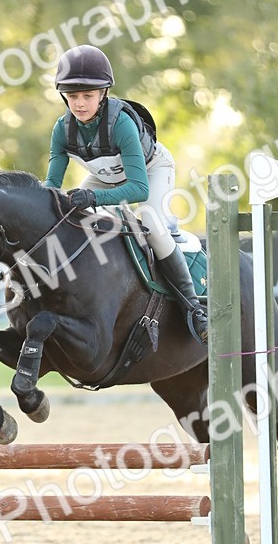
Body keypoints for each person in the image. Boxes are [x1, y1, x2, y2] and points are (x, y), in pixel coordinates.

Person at [43, 44, 209, 344]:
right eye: (72, 96)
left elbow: (138, 188)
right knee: (69, 216)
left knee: (152, 226)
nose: (79, 104)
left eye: (87, 96)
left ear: (104, 93)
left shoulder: (121, 124)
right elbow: (51, 187)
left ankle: (194, 308)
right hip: (104, 177)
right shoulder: (61, 129)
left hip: (150, 170)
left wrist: (92, 199)